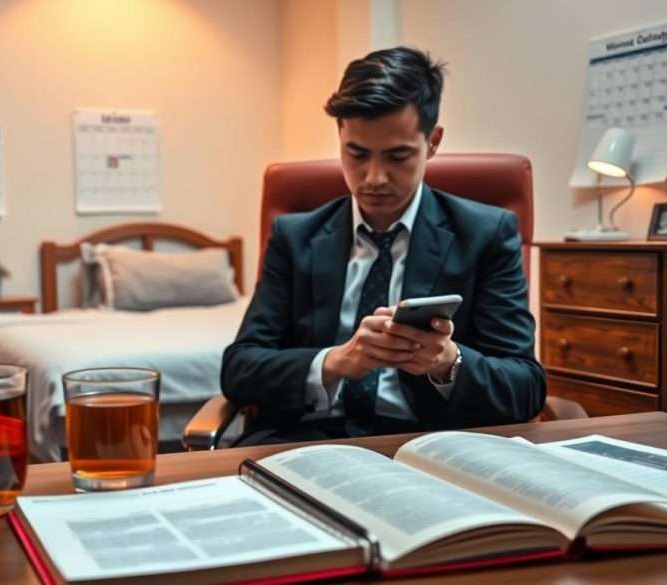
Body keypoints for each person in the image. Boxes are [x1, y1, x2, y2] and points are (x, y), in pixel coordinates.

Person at [221, 46, 545, 445]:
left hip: (430, 444)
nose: (374, 178)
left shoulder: (486, 234)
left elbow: (525, 386)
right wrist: (336, 361)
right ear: (340, 136)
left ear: (434, 141)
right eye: (357, 154)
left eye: (397, 156)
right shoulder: (295, 236)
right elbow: (239, 369)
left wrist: (448, 362)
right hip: (303, 441)